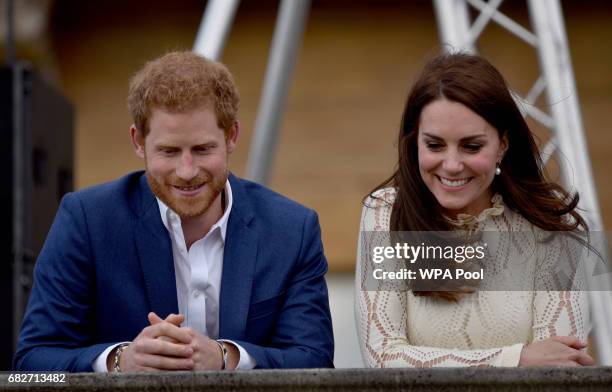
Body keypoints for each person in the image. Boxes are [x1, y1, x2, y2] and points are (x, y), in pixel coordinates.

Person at [14, 51, 334, 372]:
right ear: (138, 141)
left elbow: (316, 359)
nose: (186, 171)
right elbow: (32, 361)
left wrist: (227, 357)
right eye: (169, 151)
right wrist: (119, 361)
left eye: (202, 149)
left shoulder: (293, 228)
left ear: (231, 136)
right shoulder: (85, 220)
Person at [355, 52, 595, 368]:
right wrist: (516, 359)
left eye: (471, 146)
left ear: (503, 146)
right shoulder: (385, 213)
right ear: (415, 143)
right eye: (435, 145)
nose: (452, 165)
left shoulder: (553, 225)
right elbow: (383, 358)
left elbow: (559, 368)